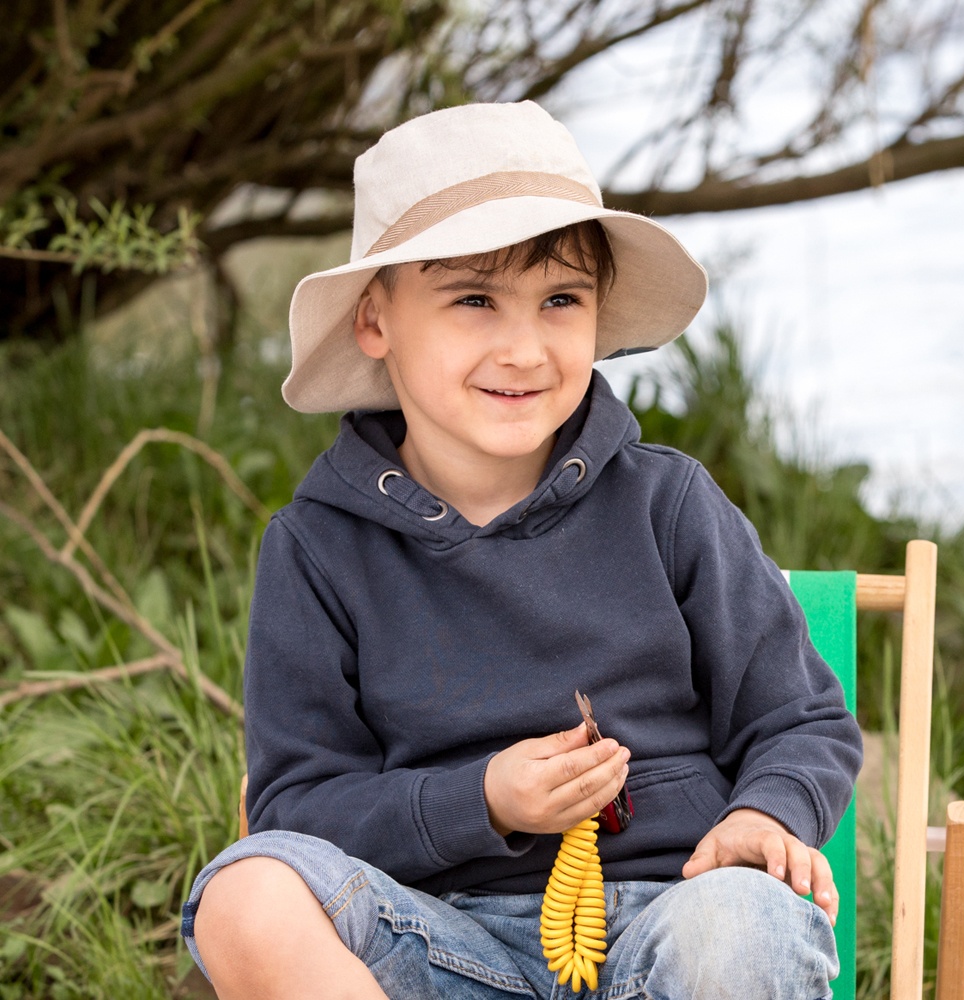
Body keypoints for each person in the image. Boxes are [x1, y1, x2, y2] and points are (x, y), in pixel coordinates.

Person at [181, 101, 863, 999]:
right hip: (439, 941)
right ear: (375, 320)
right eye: (473, 299)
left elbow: (800, 721)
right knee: (244, 895)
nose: (524, 347)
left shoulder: (668, 504)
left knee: (747, 922)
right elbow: (300, 808)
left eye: (560, 300)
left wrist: (762, 816)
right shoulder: (317, 549)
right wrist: (483, 799)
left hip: (675, 915)